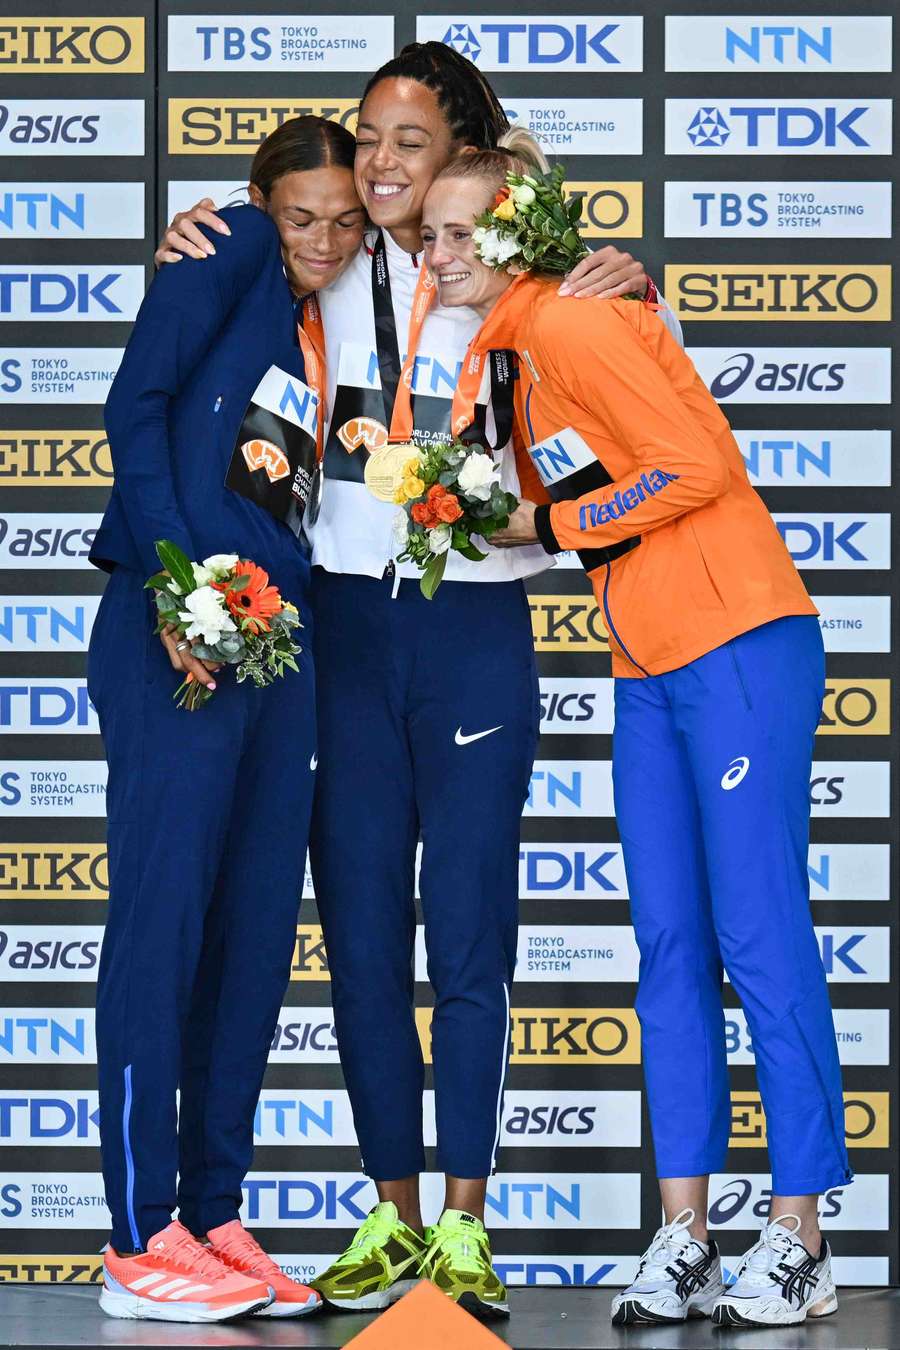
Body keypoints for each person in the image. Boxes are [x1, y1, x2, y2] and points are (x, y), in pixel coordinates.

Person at [155, 41, 682, 1321]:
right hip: (341, 626)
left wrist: (639, 286)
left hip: (476, 632)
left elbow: (646, 400)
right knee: (364, 939)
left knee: (470, 934)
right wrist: (193, 237)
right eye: (370, 138)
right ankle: (389, 1219)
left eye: (410, 144)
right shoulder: (313, 256)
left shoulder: (527, 269)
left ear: (462, 152)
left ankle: (464, 1223)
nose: (382, 166)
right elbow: (224, 306)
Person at [419, 148, 850, 1331]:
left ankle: (805, 1232)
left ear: (516, 233)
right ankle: (686, 1235)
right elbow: (552, 503)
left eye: (465, 234)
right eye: (430, 239)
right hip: (649, 660)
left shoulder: (568, 319)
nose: (440, 255)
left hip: (738, 640)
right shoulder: (508, 347)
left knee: (756, 933)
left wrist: (554, 515)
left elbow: (702, 465)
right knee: (668, 949)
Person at [89, 116, 364, 1323]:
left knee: (252, 936)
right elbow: (134, 410)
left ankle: (212, 1212)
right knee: (163, 927)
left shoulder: (326, 317)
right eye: (301, 213)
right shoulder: (233, 247)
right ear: (258, 200)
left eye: (345, 220)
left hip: (277, 639)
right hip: (179, 631)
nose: (322, 238)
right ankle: (138, 1237)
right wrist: (172, 583)